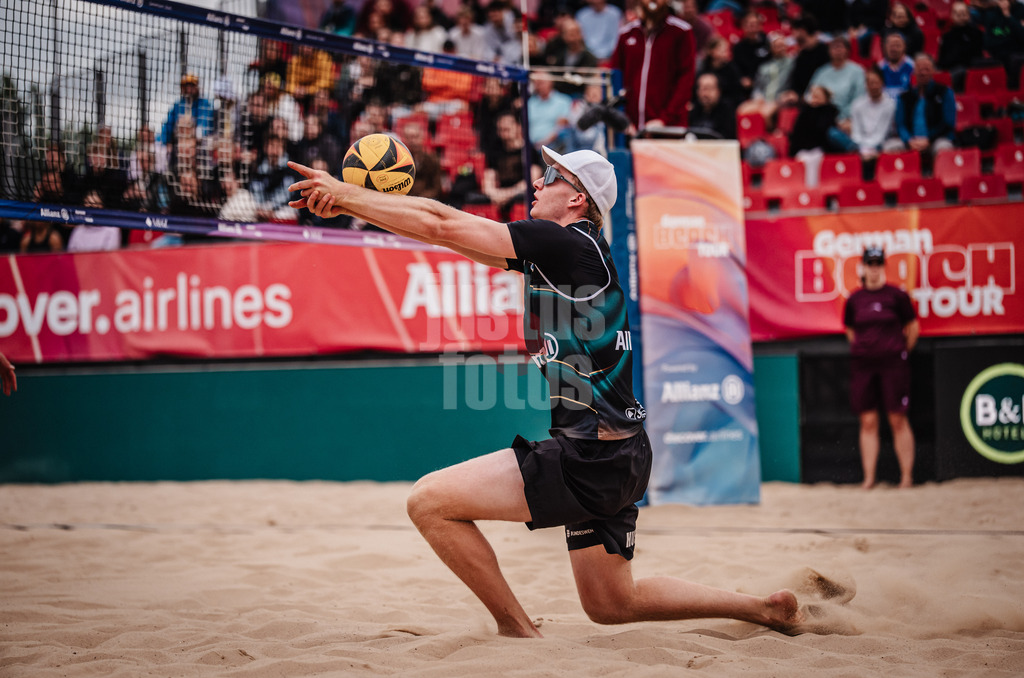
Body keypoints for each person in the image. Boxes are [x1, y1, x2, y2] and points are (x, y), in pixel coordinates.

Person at [284, 147, 804, 639]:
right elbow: (448, 237)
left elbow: (444, 222)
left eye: (552, 177)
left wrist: (346, 193)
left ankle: (518, 629)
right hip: (621, 450)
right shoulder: (565, 254)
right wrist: (357, 206)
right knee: (610, 605)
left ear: (578, 199)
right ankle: (763, 608)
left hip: (593, 452)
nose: (537, 181)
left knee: (429, 503)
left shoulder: (566, 243)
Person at [844, 246, 918, 489]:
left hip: (893, 363)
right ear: (863, 267)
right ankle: (869, 479)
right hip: (863, 365)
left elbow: (913, 327)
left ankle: (906, 477)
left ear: (883, 266)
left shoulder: (896, 296)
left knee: (897, 418)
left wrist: (899, 350)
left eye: (878, 264)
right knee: (867, 421)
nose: (874, 269)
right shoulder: (854, 299)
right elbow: (850, 330)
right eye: (870, 264)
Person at [610, 0, 696, 133]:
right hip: (630, 129)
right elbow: (615, 77)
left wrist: (664, 119)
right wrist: (623, 119)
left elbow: (686, 80)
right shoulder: (626, 34)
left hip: (669, 128)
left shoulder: (681, 32)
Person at [892, 53, 956, 156]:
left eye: (926, 69)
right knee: (891, 147)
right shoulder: (904, 97)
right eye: (920, 69)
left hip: (936, 140)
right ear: (914, 71)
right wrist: (909, 140)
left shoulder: (945, 92)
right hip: (911, 141)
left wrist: (928, 139)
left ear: (932, 71)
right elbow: (901, 124)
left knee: (943, 147)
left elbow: (948, 122)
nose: (923, 73)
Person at [936, 2, 985, 86]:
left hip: (968, 70)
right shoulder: (947, 36)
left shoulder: (977, 33)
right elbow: (942, 60)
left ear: (968, 15)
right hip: (949, 69)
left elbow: (975, 56)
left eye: (963, 13)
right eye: (957, 13)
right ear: (952, 16)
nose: (960, 16)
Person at [688, 73, 738, 139]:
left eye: (709, 88)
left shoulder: (728, 113)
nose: (705, 94)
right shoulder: (692, 111)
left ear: (718, 91)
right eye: (701, 89)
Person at [877, 32, 915, 100]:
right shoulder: (879, 68)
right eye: (891, 46)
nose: (894, 49)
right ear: (885, 47)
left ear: (904, 47)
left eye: (898, 46)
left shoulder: (913, 67)